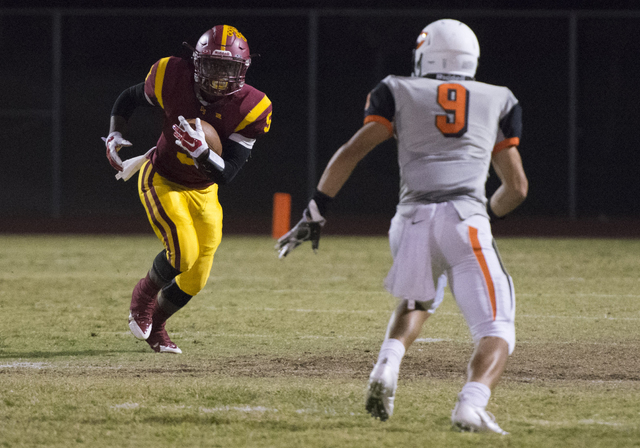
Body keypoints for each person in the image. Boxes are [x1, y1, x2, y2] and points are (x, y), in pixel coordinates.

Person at [276, 19, 527, 434]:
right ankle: (471, 403)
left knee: (419, 301)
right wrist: (487, 216)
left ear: (425, 54)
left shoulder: (397, 89)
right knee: (496, 327)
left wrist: (315, 212)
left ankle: (387, 364)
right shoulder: (499, 98)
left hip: (409, 221)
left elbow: (352, 151)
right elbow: (516, 187)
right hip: (465, 218)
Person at [104, 25, 272, 354]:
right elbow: (129, 98)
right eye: (212, 65)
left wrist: (203, 153)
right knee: (183, 252)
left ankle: (157, 328)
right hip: (162, 177)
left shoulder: (253, 107)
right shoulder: (170, 74)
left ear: (243, 70)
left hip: (205, 188)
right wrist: (114, 133)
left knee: (197, 275)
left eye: (229, 68)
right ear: (196, 63)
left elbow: (228, 173)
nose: (220, 77)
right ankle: (142, 299)